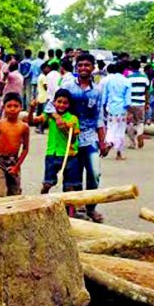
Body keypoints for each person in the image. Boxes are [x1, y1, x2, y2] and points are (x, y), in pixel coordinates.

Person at [58, 53, 108, 222]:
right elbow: (54, 104)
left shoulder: (98, 90)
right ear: (76, 67)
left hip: (90, 137)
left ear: (93, 68)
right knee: (72, 174)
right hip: (70, 137)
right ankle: (70, 209)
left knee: (95, 173)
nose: (83, 68)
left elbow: (99, 116)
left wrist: (102, 141)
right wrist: (59, 120)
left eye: (87, 65)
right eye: (80, 65)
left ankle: (90, 208)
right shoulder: (67, 85)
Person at [29, 89, 80, 198]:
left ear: (69, 104)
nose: (61, 105)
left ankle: (69, 211)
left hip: (68, 155)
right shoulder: (49, 116)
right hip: (52, 154)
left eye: (65, 103)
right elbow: (32, 121)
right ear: (54, 103)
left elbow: (73, 139)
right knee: (48, 183)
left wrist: (65, 128)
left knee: (69, 187)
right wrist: (31, 108)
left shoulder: (73, 119)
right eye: (59, 101)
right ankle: (42, 201)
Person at [0, 93, 30, 198]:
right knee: (0, 192)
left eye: (16, 106)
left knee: (14, 194)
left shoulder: (24, 127)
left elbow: (25, 149)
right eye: (9, 106)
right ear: (3, 107)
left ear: (21, 108)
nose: (12, 109)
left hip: (14, 161)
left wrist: (17, 167)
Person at [100, 62, 131, 160]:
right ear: (124, 70)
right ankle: (118, 152)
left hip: (111, 107)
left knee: (111, 128)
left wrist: (104, 106)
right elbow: (127, 99)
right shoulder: (126, 81)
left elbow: (104, 95)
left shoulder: (109, 80)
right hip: (122, 108)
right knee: (120, 130)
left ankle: (108, 142)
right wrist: (129, 111)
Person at [125, 60, 150, 149]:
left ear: (131, 67)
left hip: (130, 103)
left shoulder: (128, 78)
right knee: (140, 121)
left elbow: (126, 92)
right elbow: (147, 91)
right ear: (139, 67)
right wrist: (147, 103)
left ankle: (132, 143)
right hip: (140, 102)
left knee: (130, 122)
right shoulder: (144, 77)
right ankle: (139, 134)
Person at [32, 62, 50, 134]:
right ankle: (41, 127)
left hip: (41, 96)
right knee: (43, 114)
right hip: (44, 97)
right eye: (47, 68)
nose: (49, 69)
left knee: (39, 113)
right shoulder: (43, 77)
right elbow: (46, 87)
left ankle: (38, 127)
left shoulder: (40, 76)